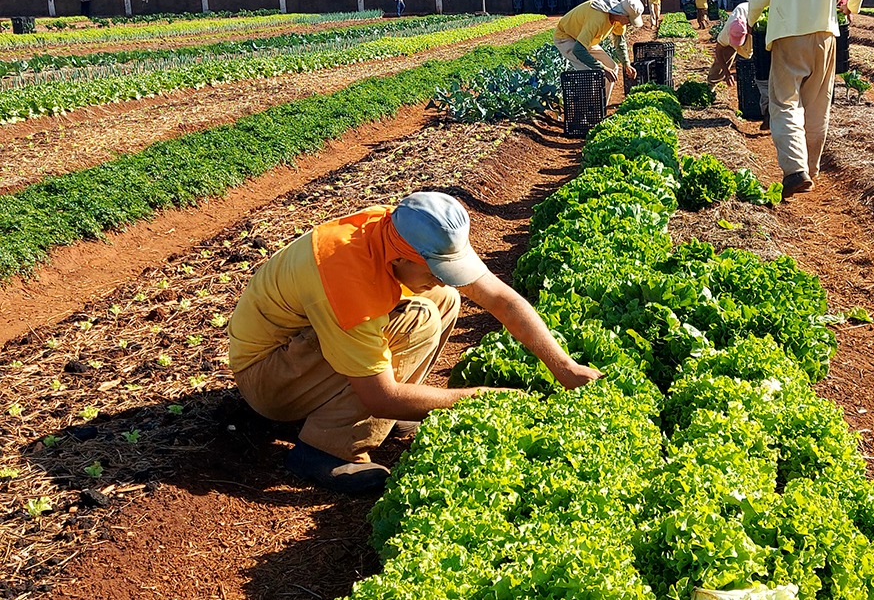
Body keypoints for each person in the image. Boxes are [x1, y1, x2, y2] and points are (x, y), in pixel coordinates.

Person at [228, 193, 603, 492]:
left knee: (444, 299)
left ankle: (390, 411)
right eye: (436, 271)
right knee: (419, 317)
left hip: (303, 355)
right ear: (402, 259)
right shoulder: (346, 277)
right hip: (270, 377)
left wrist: (565, 367)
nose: (442, 278)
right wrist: (490, 397)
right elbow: (380, 396)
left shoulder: (403, 230)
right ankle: (327, 446)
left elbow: (502, 300)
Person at [748, 0, 866, 199]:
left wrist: (748, 22)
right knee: (817, 106)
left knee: (785, 102)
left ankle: (795, 169)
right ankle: (812, 170)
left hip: (788, 36)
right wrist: (849, 7)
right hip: (826, 37)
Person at [553, 0, 643, 103]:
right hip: (566, 37)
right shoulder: (597, 19)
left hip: (585, 40)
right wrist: (602, 68)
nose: (629, 23)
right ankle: (583, 111)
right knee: (589, 74)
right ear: (622, 14)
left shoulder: (618, 20)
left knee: (612, 67)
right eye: (629, 19)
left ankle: (600, 107)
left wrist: (626, 64)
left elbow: (620, 43)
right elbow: (578, 50)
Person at [706, 0, 751, 88]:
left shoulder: (753, 29)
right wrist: (727, 73)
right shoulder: (727, 32)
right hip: (736, 30)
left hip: (751, 28)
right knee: (723, 57)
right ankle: (711, 83)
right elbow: (719, 50)